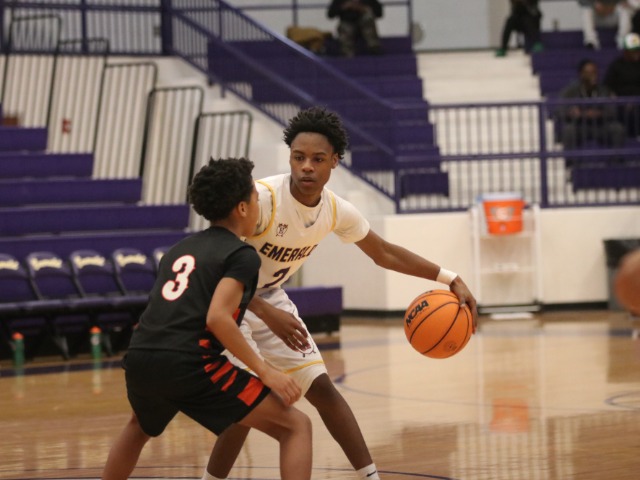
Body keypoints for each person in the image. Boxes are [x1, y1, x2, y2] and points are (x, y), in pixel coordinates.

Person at [201, 106, 478, 480]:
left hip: (270, 296)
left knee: (324, 390)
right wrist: (265, 312)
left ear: (335, 161)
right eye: (298, 158)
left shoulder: (334, 210)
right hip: (230, 301)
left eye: (317, 159)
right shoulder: (261, 199)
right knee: (247, 404)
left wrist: (449, 277)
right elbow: (215, 264)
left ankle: (371, 477)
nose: (306, 167)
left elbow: (384, 253)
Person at [101, 158, 312, 480]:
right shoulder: (241, 255)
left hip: (141, 358)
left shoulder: (179, 249)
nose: (259, 207)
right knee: (296, 426)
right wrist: (266, 372)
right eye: (256, 199)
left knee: (138, 427)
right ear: (242, 208)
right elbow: (218, 318)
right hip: (190, 363)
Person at [558, 58, 625, 152]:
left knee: (617, 128)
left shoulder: (604, 90)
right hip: (579, 126)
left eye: (594, 72)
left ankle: (617, 159)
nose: (593, 75)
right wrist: (572, 113)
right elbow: (560, 109)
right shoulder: (571, 91)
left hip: (601, 125)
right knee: (568, 130)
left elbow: (612, 110)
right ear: (581, 74)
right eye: (588, 72)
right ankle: (570, 160)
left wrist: (598, 113)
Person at [604, 32, 640, 136]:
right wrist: (617, 99)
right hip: (621, 104)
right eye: (633, 50)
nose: (636, 53)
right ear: (625, 51)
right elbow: (607, 86)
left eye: (637, 50)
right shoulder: (616, 65)